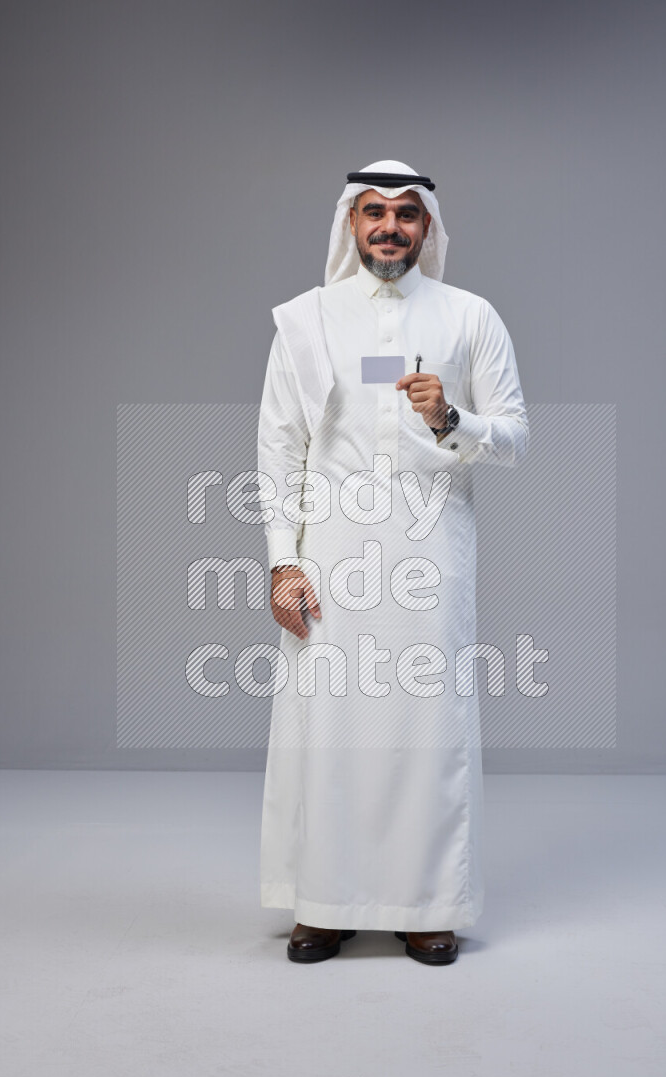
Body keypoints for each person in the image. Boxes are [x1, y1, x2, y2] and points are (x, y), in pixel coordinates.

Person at [257, 159, 529, 965]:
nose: (388, 227)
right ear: (350, 222)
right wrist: (282, 561)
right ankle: (324, 903)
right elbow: (279, 448)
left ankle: (425, 904)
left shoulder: (470, 317)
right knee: (327, 729)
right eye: (372, 211)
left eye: (406, 214)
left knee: (425, 729)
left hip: (429, 552)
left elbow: (516, 437)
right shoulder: (307, 322)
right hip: (330, 557)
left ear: (428, 228)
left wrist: (452, 416)